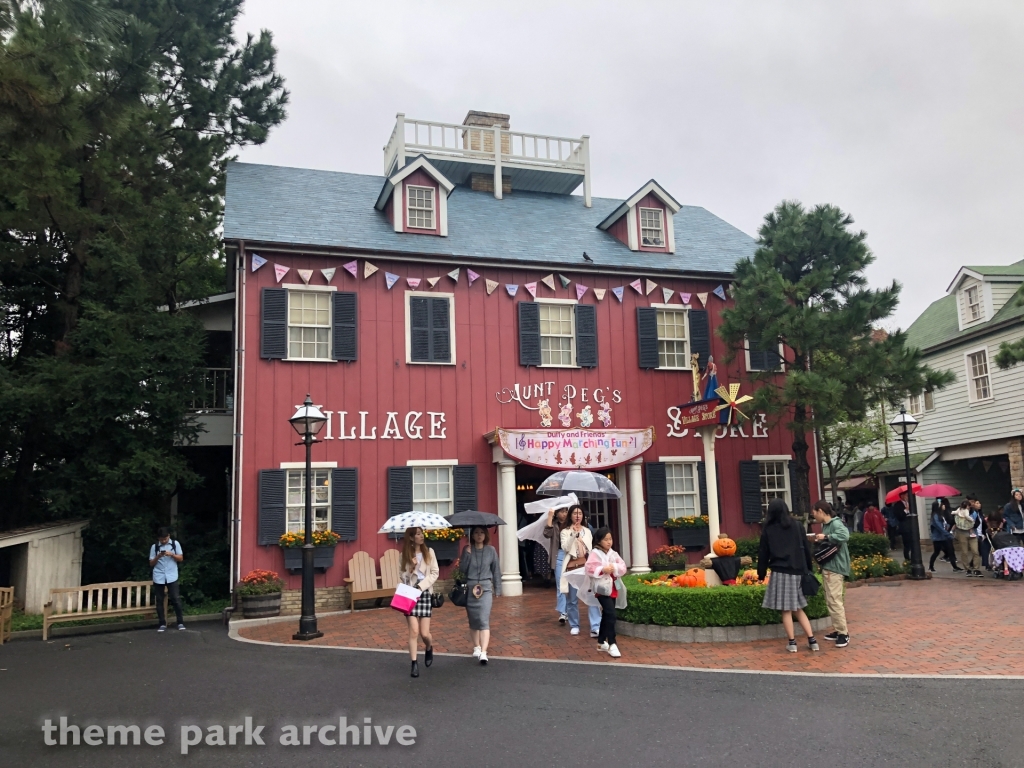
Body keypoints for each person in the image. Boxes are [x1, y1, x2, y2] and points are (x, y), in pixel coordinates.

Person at [757, 499, 819, 653]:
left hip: (780, 571)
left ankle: (792, 643)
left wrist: (761, 573)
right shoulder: (797, 526)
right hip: (797, 571)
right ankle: (812, 640)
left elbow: (763, 553)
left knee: (786, 610)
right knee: (797, 607)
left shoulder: (768, 529)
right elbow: (805, 547)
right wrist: (809, 569)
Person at [581, 527, 628, 658]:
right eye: (605, 539)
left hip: (612, 587)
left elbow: (623, 566)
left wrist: (615, 567)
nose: (609, 542)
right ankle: (612, 643)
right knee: (611, 614)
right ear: (599, 540)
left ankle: (601, 642)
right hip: (601, 588)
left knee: (608, 614)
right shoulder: (595, 553)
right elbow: (589, 568)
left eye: (610, 539)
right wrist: (602, 569)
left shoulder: (613, 553)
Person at [811, 501, 851, 647]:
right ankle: (838, 629)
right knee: (830, 600)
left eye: (814, 512)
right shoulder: (827, 525)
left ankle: (843, 634)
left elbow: (845, 535)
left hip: (835, 568)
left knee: (834, 600)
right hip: (829, 568)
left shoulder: (835, 523)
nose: (813, 515)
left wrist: (826, 537)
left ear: (821, 511)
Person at [400, 527, 438, 678]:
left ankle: (429, 647)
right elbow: (401, 576)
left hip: (424, 593)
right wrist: (411, 569)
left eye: (421, 534)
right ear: (411, 538)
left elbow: (435, 573)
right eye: (417, 534)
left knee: (424, 633)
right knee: (414, 631)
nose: (421, 536)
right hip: (410, 594)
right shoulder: (404, 555)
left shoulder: (430, 552)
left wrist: (421, 586)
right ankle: (414, 663)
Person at [459, 526, 501, 665]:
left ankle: (484, 651)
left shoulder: (491, 550)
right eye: (476, 532)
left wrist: (498, 589)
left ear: (485, 535)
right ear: (472, 535)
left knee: (483, 619)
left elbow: (495, 570)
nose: (479, 535)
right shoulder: (467, 550)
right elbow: (462, 570)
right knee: (473, 619)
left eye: (481, 532)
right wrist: (468, 555)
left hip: (486, 588)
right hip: (471, 587)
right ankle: (476, 646)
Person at [560, 506, 601, 638]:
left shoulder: (588, 531)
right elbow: (565, 547)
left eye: (580, 513)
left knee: (591, 596)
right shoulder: (565, 531)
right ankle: (574, 625)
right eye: (575, 513)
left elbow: (591, 548)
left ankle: (595, 626)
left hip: (586, 566)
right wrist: (573, 534)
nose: (577, 516)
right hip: (572, 566)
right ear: (570, 516)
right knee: (572, 599)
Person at [149, 527, 185, 632]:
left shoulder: (175, 544)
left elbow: (181, 558)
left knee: (176, 599)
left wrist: (172, 554)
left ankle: (180, 622)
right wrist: (158, 556)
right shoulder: (154, 547)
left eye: (165, 539)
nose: (163, 541)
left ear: (168, 536)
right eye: (161, 539)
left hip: (172, 575)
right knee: (159, 600)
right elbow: (151, 563)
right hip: (158, 576)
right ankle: (162, 623)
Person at [543, 506, 571, 623]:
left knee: (571, 585)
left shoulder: (571, 523)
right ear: (557, 513)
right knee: (560, 584)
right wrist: (549, 517)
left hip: (571, 555)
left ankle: (570, 610)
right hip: (559, 554)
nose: (564, 514)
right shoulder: (554, 524)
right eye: (562, 511)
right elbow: (546, 534)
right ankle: (563, 612)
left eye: (566, 511)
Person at [929, 501, 962, 573]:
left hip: (945, 537)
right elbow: (939, 527)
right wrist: (948, 534)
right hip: (938, 538)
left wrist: (948, 527)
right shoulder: (935, 516)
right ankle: (931, 567)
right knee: (936, 552)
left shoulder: (941, 515)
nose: (944, 506)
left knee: (950, 551)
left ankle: (955, 567)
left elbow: (945, 525)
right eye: (942, 505)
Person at [952, 500, 983, 576]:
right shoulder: (959, 511)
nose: (967, 508)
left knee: (975, 551)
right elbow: (953, 520)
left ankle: (976, 569)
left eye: (968, 506)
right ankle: (967, 569)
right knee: (964, 552)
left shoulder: (974, 513)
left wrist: (973, 526)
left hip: (973, 533)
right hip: (962, 533)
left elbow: (978, 522)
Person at [892, 494, 915, 562]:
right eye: (905, 495)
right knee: (906, 543)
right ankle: (907, 558)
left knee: (913, 543)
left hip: (911, 525)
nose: (906, 497)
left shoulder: (910, 503)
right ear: (901, 496)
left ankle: (913, 557)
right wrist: (906, 510)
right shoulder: (898, 505)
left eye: (907, 495)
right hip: (904, 526)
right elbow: (899, 516)